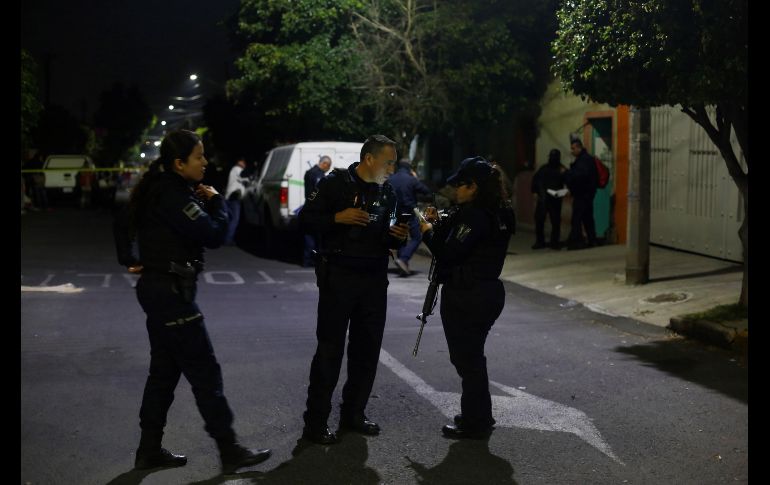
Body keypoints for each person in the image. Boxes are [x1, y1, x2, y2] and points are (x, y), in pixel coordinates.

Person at [112, 129, 271, 474]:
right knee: (205, 374)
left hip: (161, 291)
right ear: (179, 163)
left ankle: (148, 451)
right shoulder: (172, 193)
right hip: (171, 296)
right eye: (199, 157)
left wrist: (129, 256)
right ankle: (230, 450)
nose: (206, 162)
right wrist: (216, 201)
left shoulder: (159, 187)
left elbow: (122, 216)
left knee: (163, 374)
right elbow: (214, 235)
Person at [298, 134, 409, 445]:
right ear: (369, 159)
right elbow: (305, 220)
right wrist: (337, 217)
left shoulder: (387, 193)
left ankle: (354, 413)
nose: (392, 168)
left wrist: (397, 236)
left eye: (395, 163)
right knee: (329, 351)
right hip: (340, 276)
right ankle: (316, 421)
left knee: (367, 351)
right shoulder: (336, 184)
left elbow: (386, 237)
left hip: (374, 279)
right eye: (389, 162)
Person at [417, 156, 516, 440]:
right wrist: (443, 222)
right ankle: (478, 414)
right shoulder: (501, 211)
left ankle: (476, 422)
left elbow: (448, 252)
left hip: (467, 295)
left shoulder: (474, 215)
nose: (455, 191)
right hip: (489, 292)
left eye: (460, 186)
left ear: (473, 187)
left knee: (467, 361)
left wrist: (427, 231)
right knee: (472, 358)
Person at [387, 159, 432, 276]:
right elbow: (426, 192)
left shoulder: (391, 179)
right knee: (417, 236)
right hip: (410, 211)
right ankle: (404, 259)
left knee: (401, 236)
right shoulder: (411, 179)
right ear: (409, 168)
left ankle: (402, 262)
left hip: (395, 212)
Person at [564, 138, 598, 250]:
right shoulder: (587, 159)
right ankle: (592, 240)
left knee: (577, 218)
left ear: (579, 147)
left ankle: (577, 242)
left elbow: (579, 177)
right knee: (587, 218)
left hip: (582, 194)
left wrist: (567, 173)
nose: (572, 151)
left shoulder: (583, 161)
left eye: (573, 148)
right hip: (588, 194)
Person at [531, 149, 567, 250]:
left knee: (555, 222)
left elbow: (568, 180)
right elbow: (536, 181)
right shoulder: (545, 169)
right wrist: (535, 192)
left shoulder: (561, 169)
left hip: (554, 199)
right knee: (540, 221)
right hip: (544, 199)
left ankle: (553, 242)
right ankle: (541, 241)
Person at [302, 155, 333, 266]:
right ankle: (312, 260)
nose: (327, 170)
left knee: (309, 235)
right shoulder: (318, 175)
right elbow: (317, 192)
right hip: (316, 210)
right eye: (328, 167)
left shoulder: (309, 172)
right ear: (324, 164)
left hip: (308, 208)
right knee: (316, 236)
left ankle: (307, 260)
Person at [224, 157, 248, 245]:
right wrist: (248, 180)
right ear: (239, 161)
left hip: (230, 197)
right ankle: (228, 239)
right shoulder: (237, 169)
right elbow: (241, 178)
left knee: (231, 219)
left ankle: (226, 238)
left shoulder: (233, 170)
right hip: (234, 197)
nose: (244, 165)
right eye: (243, 162)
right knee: (235, 219)